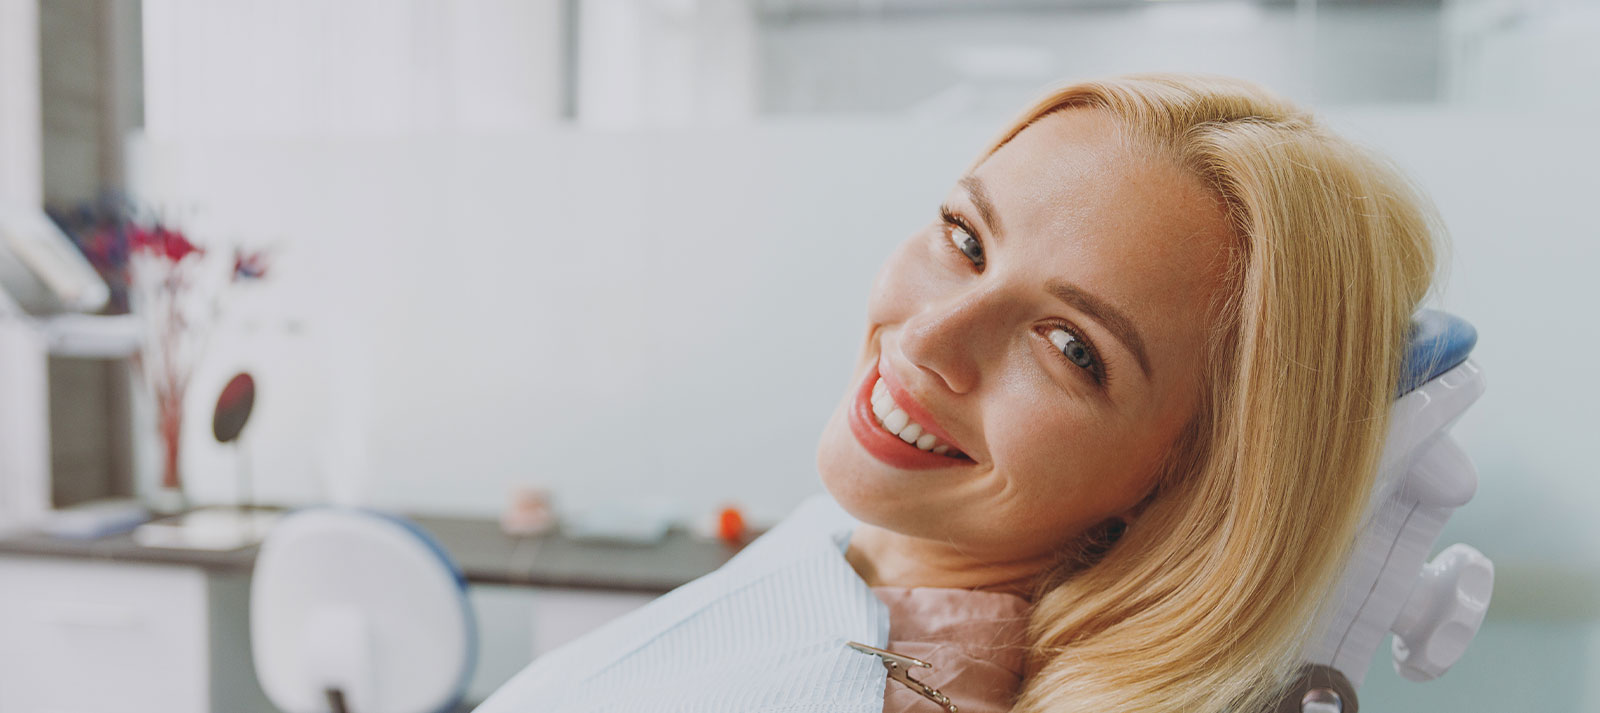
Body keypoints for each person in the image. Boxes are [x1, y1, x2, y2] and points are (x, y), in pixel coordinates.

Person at [476, 72, 1441, 713]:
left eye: (1070, 347)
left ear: (1186, 477)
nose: (929, 338)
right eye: (966, 239)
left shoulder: (846, 686)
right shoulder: (872, 553)